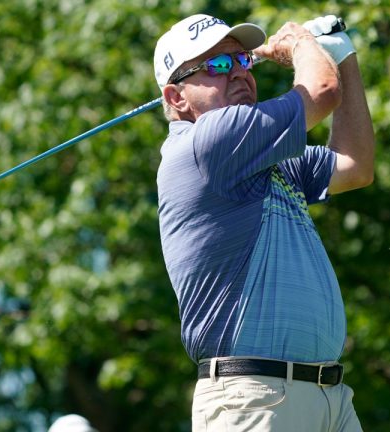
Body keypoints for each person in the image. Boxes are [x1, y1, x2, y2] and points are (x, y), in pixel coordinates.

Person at [154, 13, 374, 431]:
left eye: (242, 61)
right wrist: (302, 44)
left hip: (329, 397)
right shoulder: (209, 142)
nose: (238, 73)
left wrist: (343, 56)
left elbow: (356, 165)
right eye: (218, 66)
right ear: (177, 97)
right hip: (253, 397)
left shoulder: (265, 160)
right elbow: (321, 91)